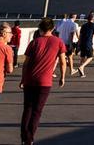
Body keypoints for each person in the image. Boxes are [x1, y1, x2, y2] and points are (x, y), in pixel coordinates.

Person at [18, 17, 67, 145]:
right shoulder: (58, 42)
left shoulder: (34, 42)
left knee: (27, 109)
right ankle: (30, 139)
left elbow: (26, 64)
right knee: (37, 111)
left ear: (40, 29)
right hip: (44, 82)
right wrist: (62, 77)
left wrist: (23, 79)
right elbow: (62, 62)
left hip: (30, 80)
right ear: (52, 28)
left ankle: (24, 137)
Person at [75, 12, 94, 77]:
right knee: (90, 57)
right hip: (88, 43)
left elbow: (80, 36)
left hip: (82, 43)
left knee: (82, 57)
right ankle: (82, 67)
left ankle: (81, 73)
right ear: (93, 18)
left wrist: (79, 44)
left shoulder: (83, 25)